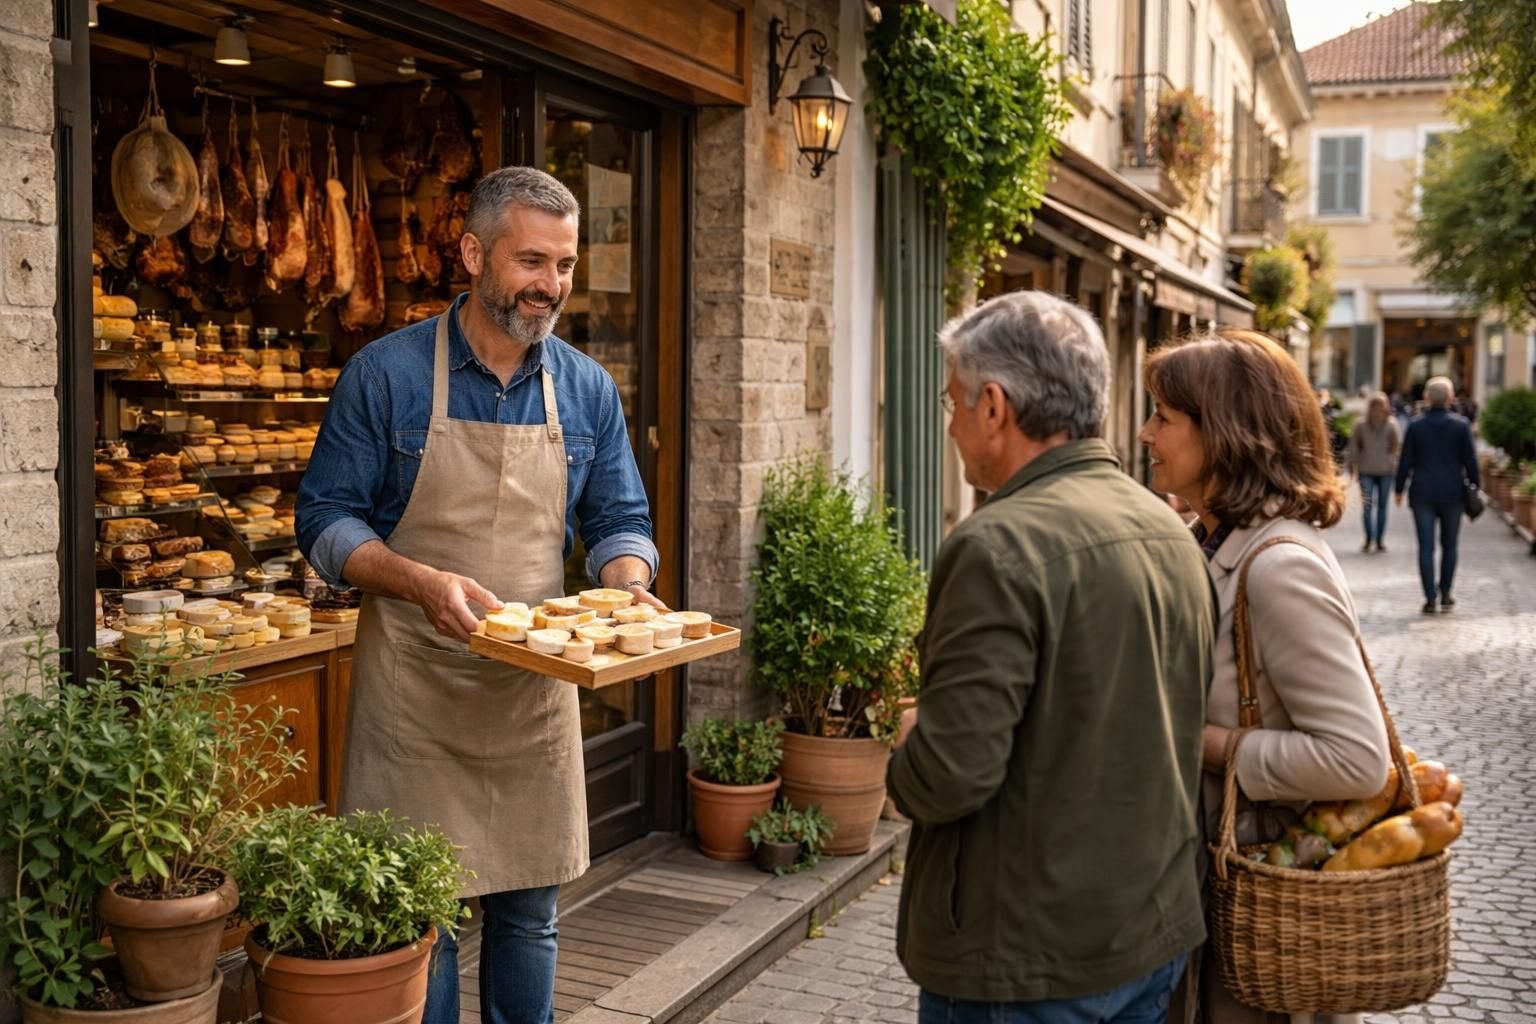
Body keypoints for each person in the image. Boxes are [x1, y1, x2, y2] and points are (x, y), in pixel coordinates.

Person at [295, 166, 661, 1024]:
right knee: (430, 919)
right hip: (414, 693)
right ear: (472, 252)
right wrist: (416, 580)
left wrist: (628, 587)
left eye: (565, 265)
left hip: (531, 691)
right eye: (532, 261)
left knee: (529, 917)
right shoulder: (384, 377)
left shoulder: (585, 388)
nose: (552, 285)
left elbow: (618, 520)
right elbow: (324, 521)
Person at [887, 292, 1216, 1024]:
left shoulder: (995, 546)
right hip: (1147, 931)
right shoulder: (1171, 532)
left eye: (954, 403)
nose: (950, 425)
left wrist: (909, 744)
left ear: (995, 407)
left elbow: (947, 777)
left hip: (1026, 960)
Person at [1139, 329, 1392, 1024]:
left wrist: (1208, 744)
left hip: (1265, 912)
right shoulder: (1212, 540)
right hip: (1214, 895)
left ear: (1223, 434)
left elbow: (1359, 758)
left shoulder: (1281, 566)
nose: (1144, 432)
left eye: (1163, 416)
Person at [1394, 376, 1479, 614]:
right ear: (1451, 398)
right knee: (1450, 546)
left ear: (1426, 398)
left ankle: (1430, 597)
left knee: (1426, 546)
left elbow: (1405, 461)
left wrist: (1399, 488)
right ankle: (1446, 593)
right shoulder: (1461, 425)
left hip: (1422, 492)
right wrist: (1476, 486)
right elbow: (1470, 461)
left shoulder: (1415, 425)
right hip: (1453, 492)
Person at [1348, 392, 1402, 553]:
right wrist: (1353, 465)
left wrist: (1390, 459)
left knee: (1376, 507)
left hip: (1384, 471)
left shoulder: (1391, 424)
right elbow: (1354, 447)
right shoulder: (1361, 425)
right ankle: (1373, 539)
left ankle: (1375, 539)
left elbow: (1395, 445)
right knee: (1372, 507)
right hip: (1368, 471)